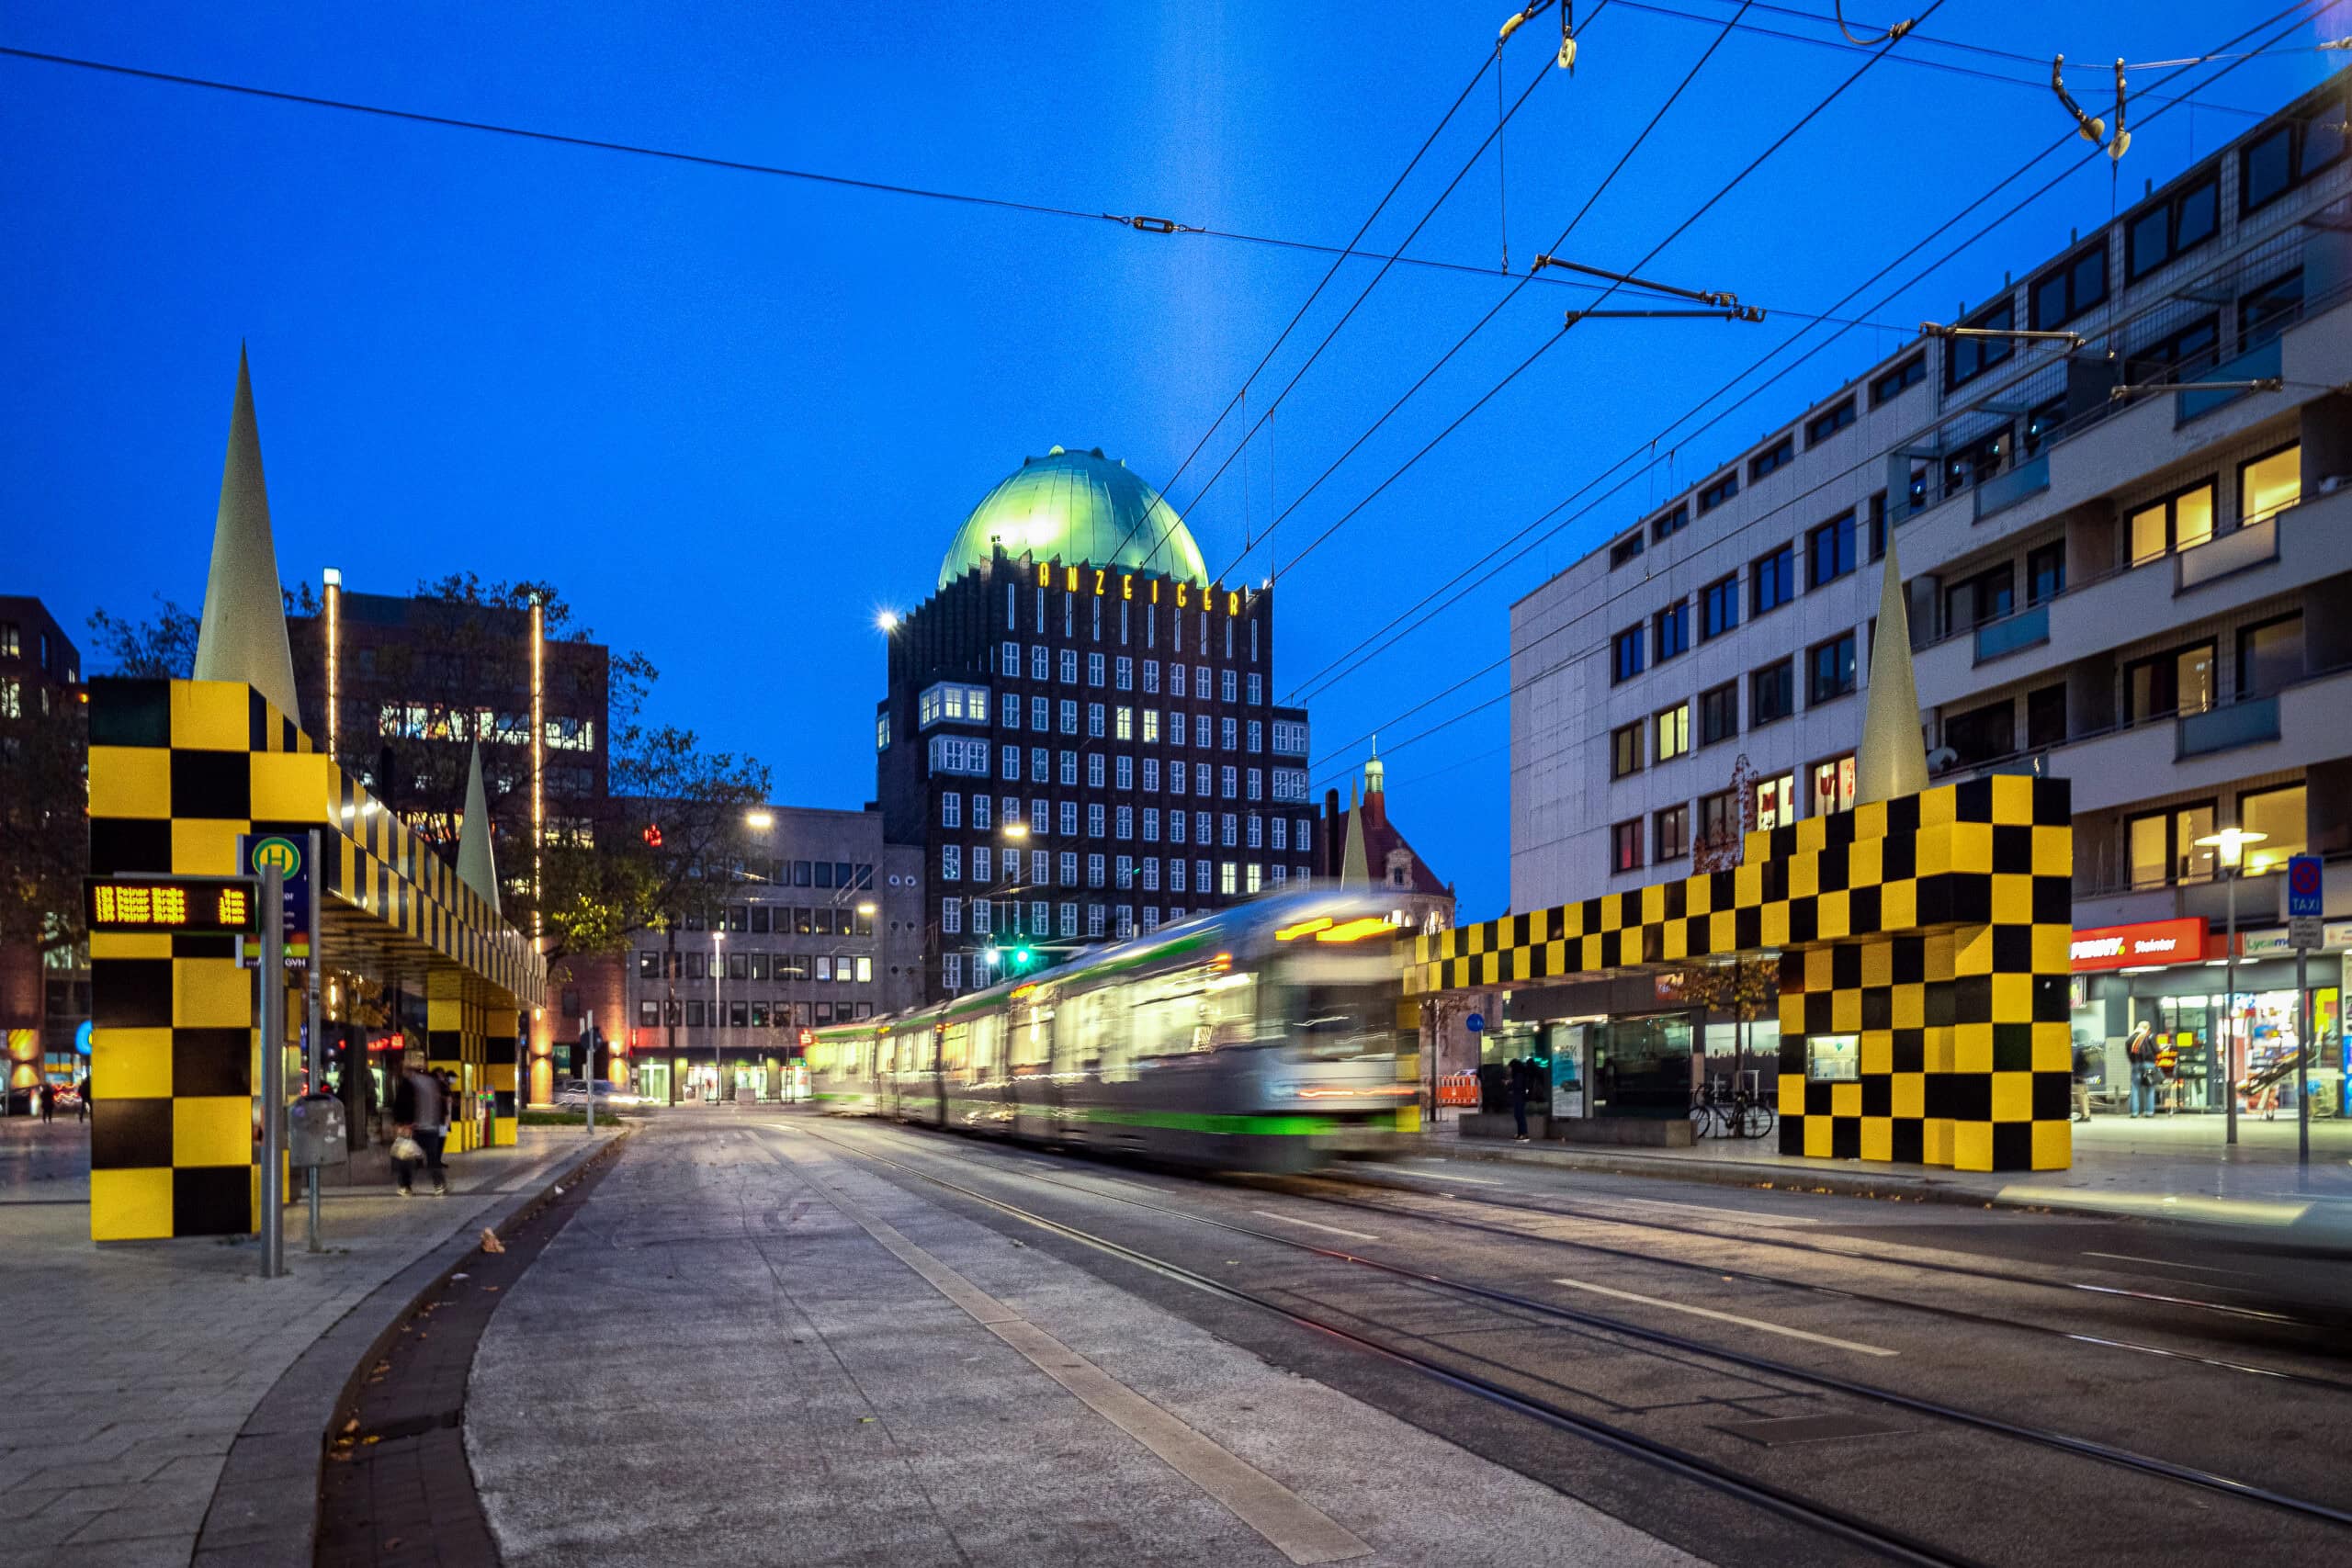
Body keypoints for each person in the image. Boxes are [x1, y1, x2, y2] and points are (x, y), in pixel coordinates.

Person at [390, 1062, 448, 1197]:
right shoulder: (432, 1083)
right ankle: (439, 1185)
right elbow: (440, 1103)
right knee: (433, 1158)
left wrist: (402, 1123)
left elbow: (401, 1104)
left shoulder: (408, 1084)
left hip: (414, 1128)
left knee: (406, 1157)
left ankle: (405, 1186)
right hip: (431, 1127)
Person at [2124, 1022, 2156, 1118]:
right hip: (2148, 1064)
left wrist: (2134, 1062)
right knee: (2150, 1088)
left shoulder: (2130, 1039)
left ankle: (2134, 1112)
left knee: (2135, 1088)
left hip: (2135, 1064)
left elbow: (2128, 1054)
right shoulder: (2147, 1036)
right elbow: (2156, 1050)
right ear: (2146, 1028)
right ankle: (2149, 1112)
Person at [1507, 1056, 1532, 1144]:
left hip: (1520, 1097)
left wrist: (1510, 1084)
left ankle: (1524, 1133)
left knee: (1520, 1115)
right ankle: (1520, 1133)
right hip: (1519, 1097)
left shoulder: (1519, 1075)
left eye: (1510, 1068)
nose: (1509, 1070)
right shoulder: (1518, 1075)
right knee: (1518, 1115)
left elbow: (1517, 1086)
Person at [2069, 1038, 2093, 1122]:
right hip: (2080, 1077)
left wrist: (2079, 1075)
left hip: (2079, 1078)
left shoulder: (2080, 1051)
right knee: (2083, 1097)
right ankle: (2086, 1115)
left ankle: (2085, 1116)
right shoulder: (2083, 1050)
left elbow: (2081, 1065)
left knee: (2081, 1097)